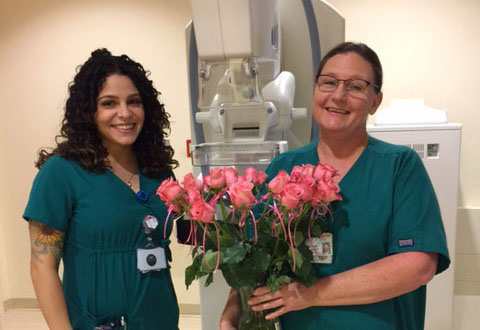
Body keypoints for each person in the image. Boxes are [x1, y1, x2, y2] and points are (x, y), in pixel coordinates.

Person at [220, 42, 449, 330]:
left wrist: (310, 294)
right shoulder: (284, 169)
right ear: (316, 90)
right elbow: (252, 257)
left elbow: (417, 266)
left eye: (355, 86)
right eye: (329, 82)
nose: (338, 96)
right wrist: (232, 312)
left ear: (375, 101)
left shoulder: (399, 167)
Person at [24, 48, 180, 330]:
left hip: (161, 320)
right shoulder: (60, 173)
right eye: (109, 103)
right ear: (89, 112)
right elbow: (42, 268)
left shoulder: (158, 170)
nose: (125, 113)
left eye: (134, 101)